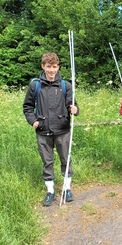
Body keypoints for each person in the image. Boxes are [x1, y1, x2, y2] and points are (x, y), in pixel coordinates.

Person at [23, 52, 79, 207]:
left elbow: (72, 105)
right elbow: (27, 107)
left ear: (58, 67)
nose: (52, 70)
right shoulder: (35, 85)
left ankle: (67, 189)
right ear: (43, 66)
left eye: (54, 67)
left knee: (65, 160)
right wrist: (33, 121)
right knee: (47, 162)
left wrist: (75, 109)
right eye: (49, 67)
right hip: (43, 130)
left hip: (62, 130)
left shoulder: (65, 85)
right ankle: (50, 191)